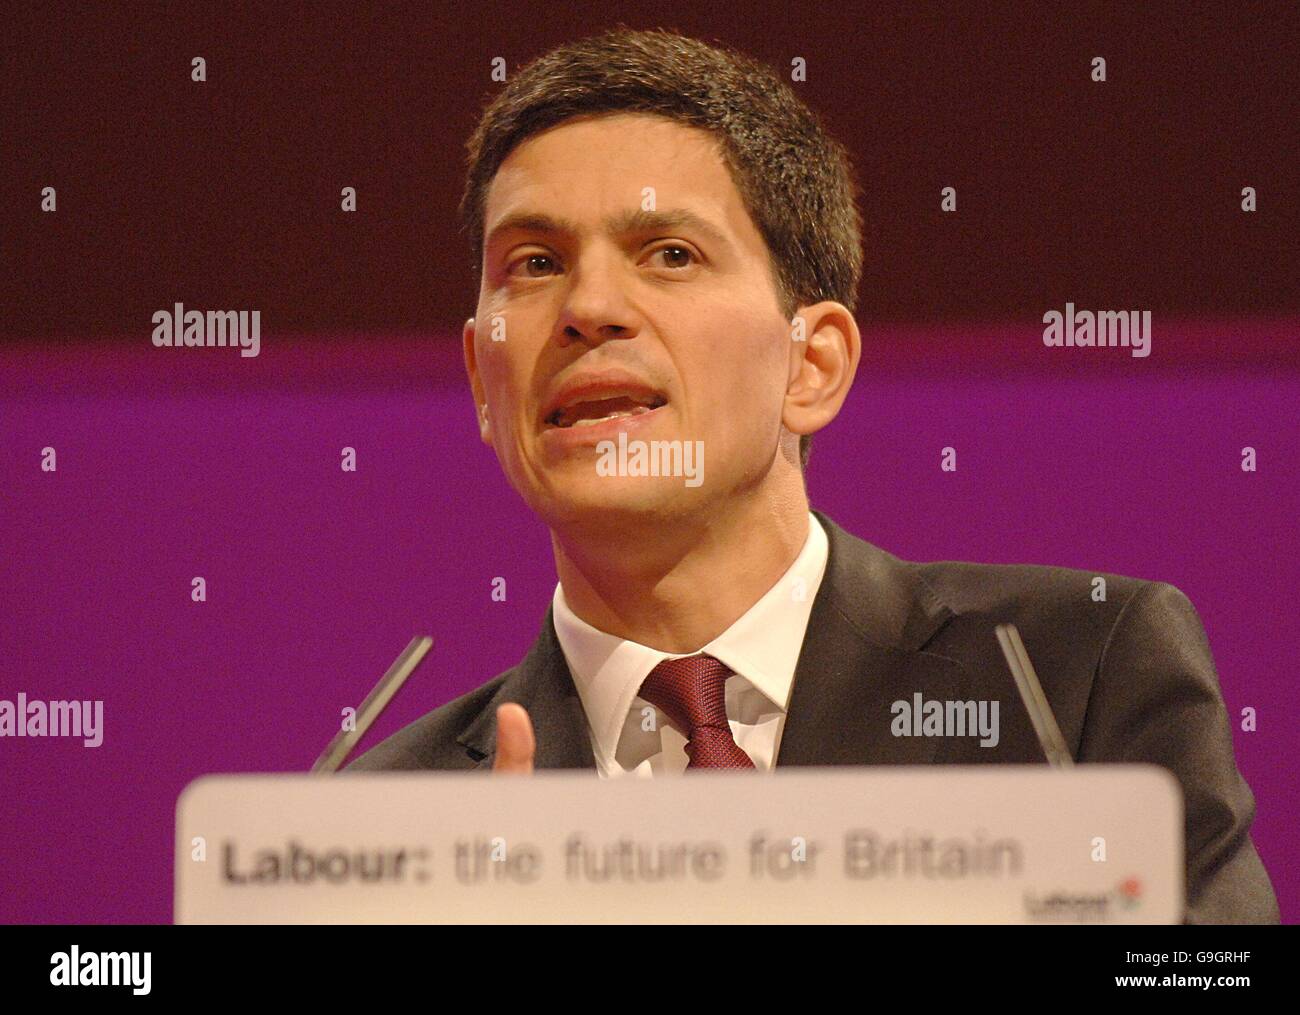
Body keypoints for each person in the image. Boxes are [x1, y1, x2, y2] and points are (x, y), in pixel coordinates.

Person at [347, 28, 1278, 924]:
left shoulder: (1076, 675)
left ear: (812, 363)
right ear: (480, 380)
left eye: (670, 254)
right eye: (536, 263)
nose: (588, 307)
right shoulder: (385, 819)